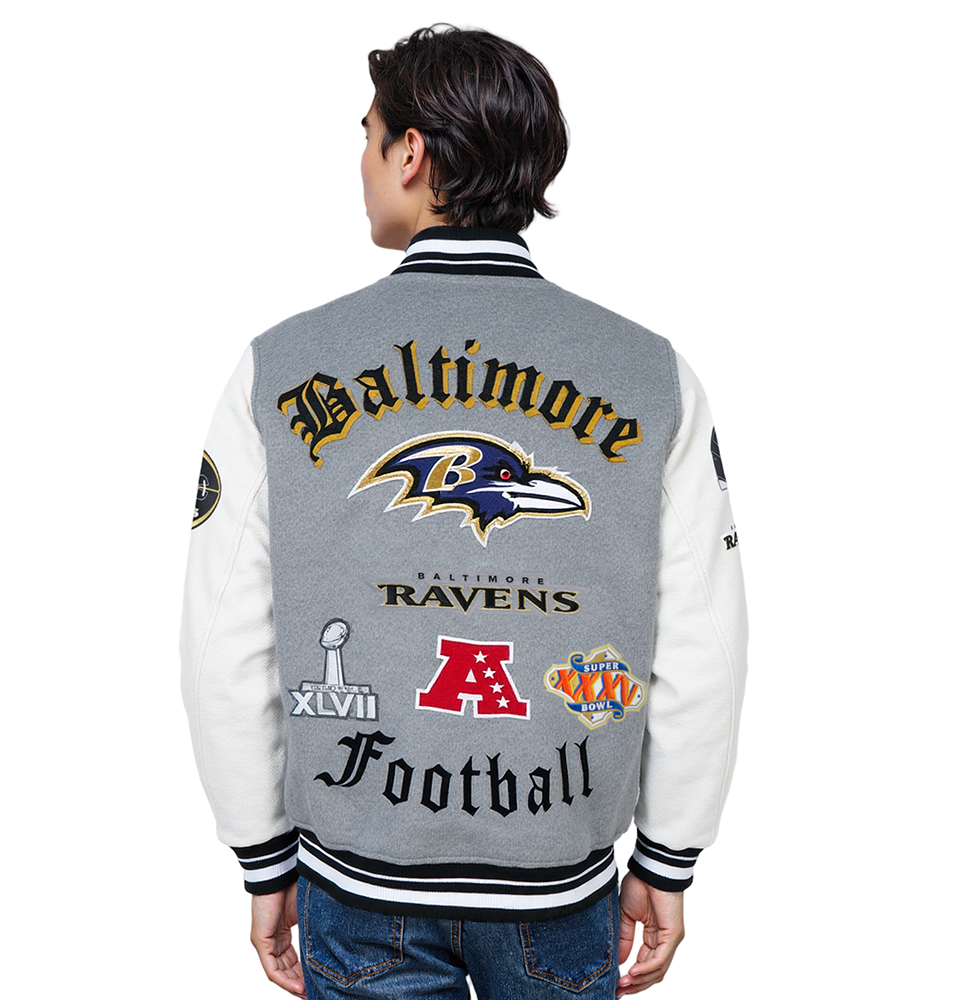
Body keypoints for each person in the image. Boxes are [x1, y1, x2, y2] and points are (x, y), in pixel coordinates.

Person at [181, 24, 747, 999]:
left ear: (410, 152)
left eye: (368, 137)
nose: (362, 163)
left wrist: (262, 855)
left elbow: (222, 641)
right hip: (558, 879)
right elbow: (704, 640)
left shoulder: (279, 366)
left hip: (359, 883)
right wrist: (669, 854)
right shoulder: (651, 373)